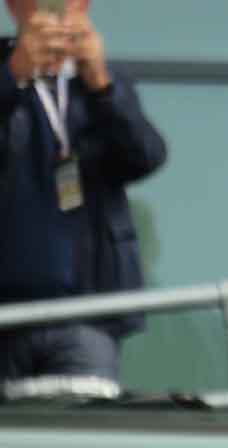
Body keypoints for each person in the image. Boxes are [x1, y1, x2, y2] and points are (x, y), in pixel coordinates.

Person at [0, 0, 167, 392]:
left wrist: (102, 86)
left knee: (84, 426)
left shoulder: (102, 82)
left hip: (87, 310)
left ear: (84, 6)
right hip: (5, 314)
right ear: (13, 7)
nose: (54, 8)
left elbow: (146, 156)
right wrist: (12, 76)